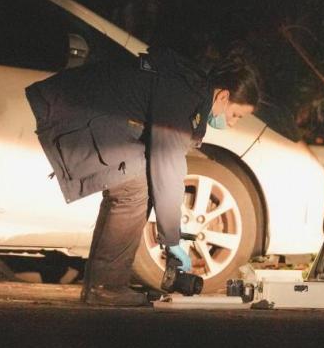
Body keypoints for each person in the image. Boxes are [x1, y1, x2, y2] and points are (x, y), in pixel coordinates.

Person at [25, 47, 260, 306]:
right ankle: (106, 287)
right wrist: (171, 239)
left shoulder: (189, 90)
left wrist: (170, 233)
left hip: (75, 108)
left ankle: (101, 285)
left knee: (132, 184)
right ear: (223, 96)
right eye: (236, 115)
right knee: (133, 190)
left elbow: (167, 163)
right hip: (69, 110)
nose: (234, 122)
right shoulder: (183, 96)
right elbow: (167, 165)